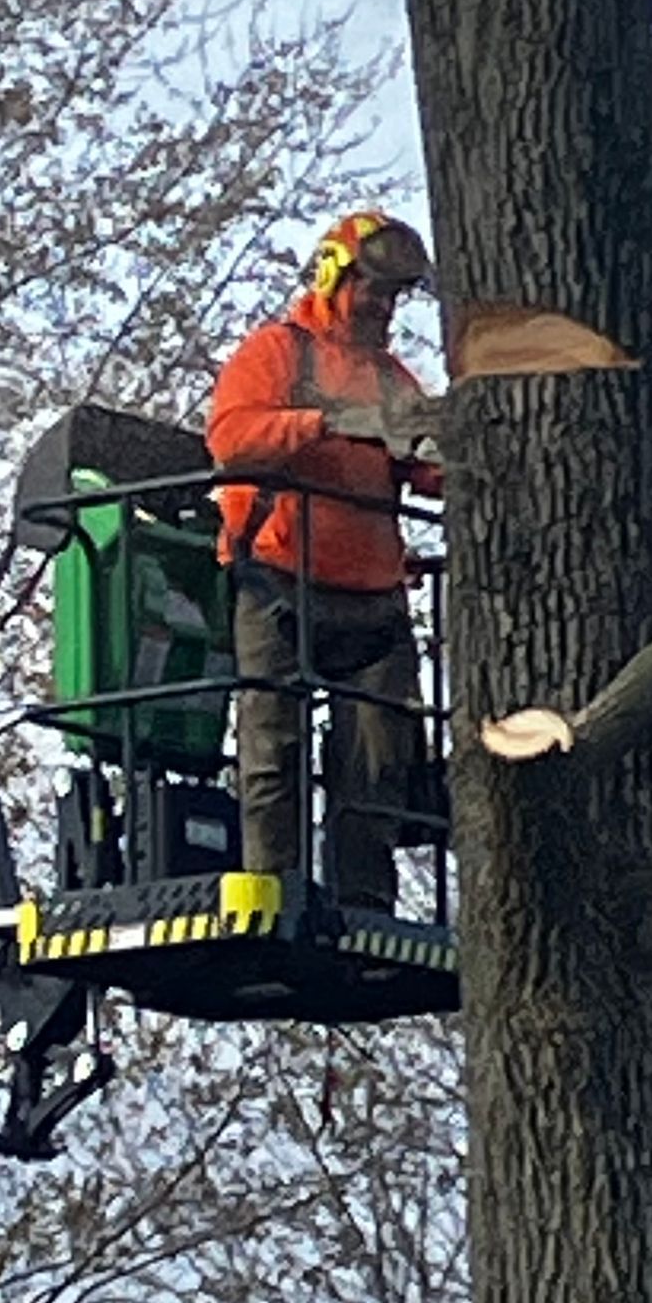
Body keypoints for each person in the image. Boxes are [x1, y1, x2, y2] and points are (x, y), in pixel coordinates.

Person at [207, 209, 440, 913]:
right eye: (376, 289)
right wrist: (324, 423)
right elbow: (231, 440)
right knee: (272, 749)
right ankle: (270, 892)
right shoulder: (276, 354)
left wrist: (443, 447)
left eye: (397, 295)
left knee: (376, 755)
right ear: (337, 276)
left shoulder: (395, 378)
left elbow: (431, 471)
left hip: (372, 593)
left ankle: (364, 899)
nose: (385, 306)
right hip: (279, 580)